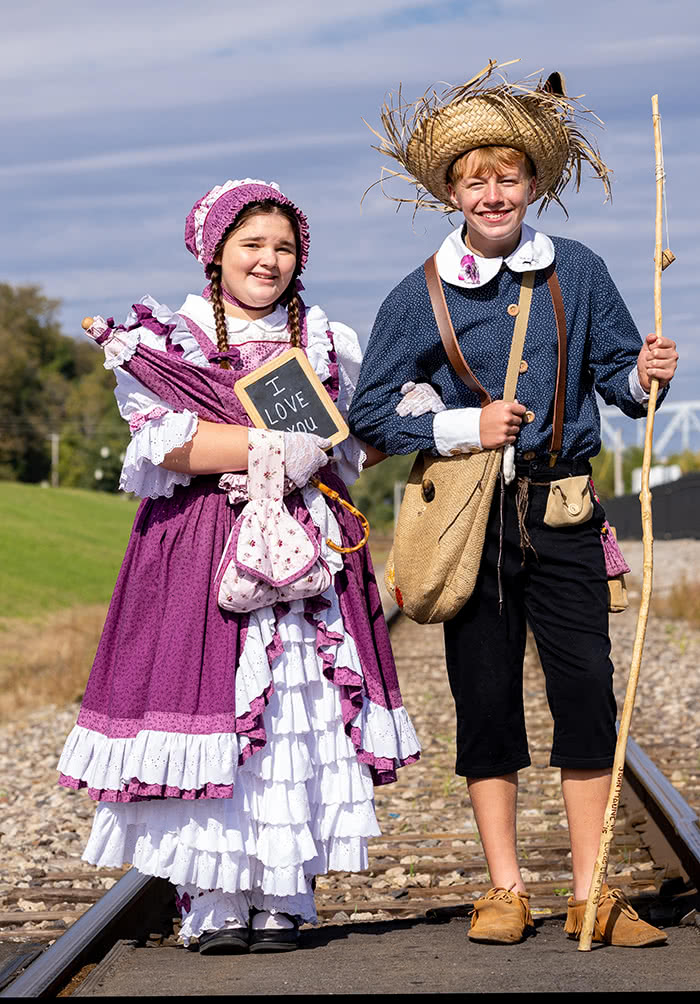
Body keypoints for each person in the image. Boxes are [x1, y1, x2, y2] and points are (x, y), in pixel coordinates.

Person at [349, 63, 678, 947]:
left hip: (567, 512)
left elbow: (616, 380)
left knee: (587, 696)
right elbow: (370, 409)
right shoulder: (419, 294)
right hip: (472, 525)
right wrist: (466, 423)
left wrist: (643, 379)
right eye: (474, 179)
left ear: (534, 184)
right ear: (450, 192)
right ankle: (505, 891)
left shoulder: (578, 268)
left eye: (508, 177)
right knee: (484, 697)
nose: (492, 193)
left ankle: (591, 891)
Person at [57, 178, 419, 953]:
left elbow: (349, 450)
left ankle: (285, 894)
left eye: (284, 247)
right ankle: (214, 898)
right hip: (203, 546)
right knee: (213, 709)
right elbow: (169, 441)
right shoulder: (171, 337)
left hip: (309, 553)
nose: (270, 260)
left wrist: (406, 418)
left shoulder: (322, 336)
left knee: (295, 713)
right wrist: (271, 448)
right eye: (252, 244)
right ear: (214, 251)